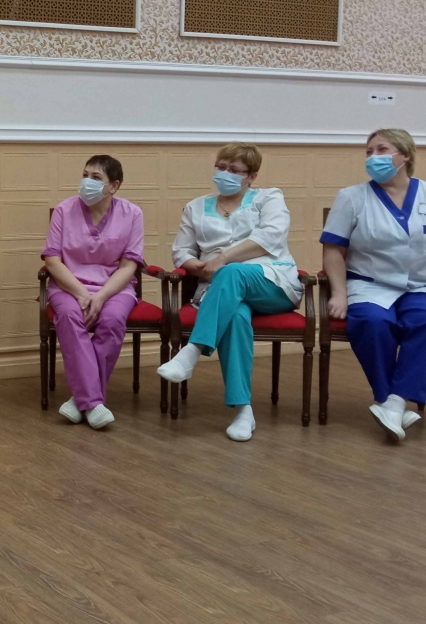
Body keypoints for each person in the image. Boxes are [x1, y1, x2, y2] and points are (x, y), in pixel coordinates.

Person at [321, 128, 426, 440]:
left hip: (420, 286)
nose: (372, 157)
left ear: (405, 155)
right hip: (369, 285)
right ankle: (393, 400)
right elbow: (333, 250)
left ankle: (393, 402)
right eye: (369, 152)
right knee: (372, 322)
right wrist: (339, 293)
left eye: (381, 149)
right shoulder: (351, 197)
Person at [157, 143, 302, 442]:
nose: (225, 174)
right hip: (219, 289)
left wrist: (222, 260)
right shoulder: (196, 206)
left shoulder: (268, 198)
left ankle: (192, 351)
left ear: (252, 176)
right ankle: (243, 410)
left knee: (232, 271)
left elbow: (270, 237)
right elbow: (182, 252)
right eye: (221, 167)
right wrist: (202, 268)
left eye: (234, 170)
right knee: (235, 316)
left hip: (272, 281)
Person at [42, 155, 145, 429]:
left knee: (112, 320)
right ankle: (93, 401)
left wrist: (100, 297)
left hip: (114, 288)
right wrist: (81, 294)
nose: (87, 182)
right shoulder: (64, 210)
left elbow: (129, 266)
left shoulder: (133, 214)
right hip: (69, 286)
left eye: (96, 178)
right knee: (69, 317)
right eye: (85, 175)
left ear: (114, 186)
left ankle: (80, 400)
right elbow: (52, 261)